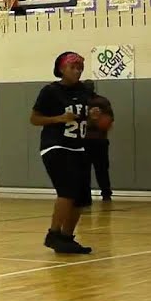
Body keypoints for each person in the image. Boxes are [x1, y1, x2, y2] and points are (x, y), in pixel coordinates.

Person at [30, 52, 95, 254]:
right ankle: (53, 234)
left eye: (80, 68)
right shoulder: (50, 91)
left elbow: (82, 118)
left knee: (82, 197)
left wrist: (92, 117)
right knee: (67, 190)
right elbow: (34, 119)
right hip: (56, 146)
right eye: (73, 67)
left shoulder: (84, 90)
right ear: (61, 69)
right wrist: (58, 118)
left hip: (79, 146)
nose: (77, 71)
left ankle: (67, 238)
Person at [80, 80, 114, 201]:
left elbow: (109, 119)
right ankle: (86, 195)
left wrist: (99, 120)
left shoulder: (102, 101)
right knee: (85, 170)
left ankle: (106, 193)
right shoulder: (79, 102)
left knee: (101, 169)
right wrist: (91, 119)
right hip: (83, 140)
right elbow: (77, 120)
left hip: (99, 140)